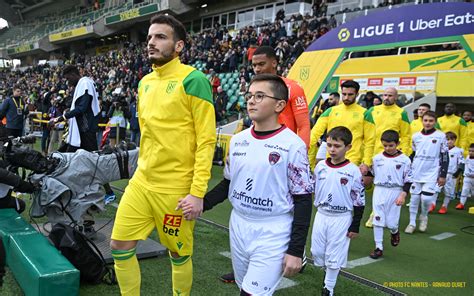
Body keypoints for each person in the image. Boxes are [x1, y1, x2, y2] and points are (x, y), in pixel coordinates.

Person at [110, 14, 216, 296]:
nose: (151, 43)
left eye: (160, 37)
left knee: (178, 254)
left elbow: (207, 141)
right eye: (149, 38)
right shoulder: (144, 83)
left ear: (179, 45)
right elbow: (146, 135)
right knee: (119, 245)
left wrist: (197, 192)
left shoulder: (193, 80)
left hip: (176, 189)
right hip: (142, 183)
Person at [187, 74, 312, 295]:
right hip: (238, 225)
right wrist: (201, 204)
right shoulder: (238, 140)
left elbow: (303, 200)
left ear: (280, 105)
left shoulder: (293, 145)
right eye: (250, 95)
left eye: (260, 96)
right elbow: (228, 184)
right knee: (243, 286)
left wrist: (296, 249)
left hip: (273, 230)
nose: (251, 101)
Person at [311, 126, 365, 296]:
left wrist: (355, 225)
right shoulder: (320, 167)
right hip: (322, 215)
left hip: (341, 218)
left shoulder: (353, 171)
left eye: (337, 146)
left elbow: (359, 200)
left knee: (334, 255)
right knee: (317, 253)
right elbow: (314, 188)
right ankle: (328, 273)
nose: (332, 149)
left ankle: (329, 288)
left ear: (348, 147)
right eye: (329, 145)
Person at [364, 87, 410, 228]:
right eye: (384, 95)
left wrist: (404, 154)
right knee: (369, 185)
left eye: (390, 95)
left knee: (384, 185)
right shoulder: (372, 111)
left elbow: (406, 135)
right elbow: (366, 134)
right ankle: (377, 211)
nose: (386, 98)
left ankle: (376, 215)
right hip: (373, 154)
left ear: (396, 97)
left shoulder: (401, 113)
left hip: (391, 156)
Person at [252, 46, 310, 148]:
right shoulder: (253, 90)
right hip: (259, 146)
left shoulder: (292, 87)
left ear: (274, 63)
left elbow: (303, 125)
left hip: (284, 149)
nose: (257, 69)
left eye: (261, 64)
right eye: (254, 65)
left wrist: (302, 152)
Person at [309, 80, 375, 170]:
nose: (346, 97)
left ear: (357, 94)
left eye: (350, 94)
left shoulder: (365, 113)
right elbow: (314, 135)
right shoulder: (330, 111)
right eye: (344, 94)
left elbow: (370, 140)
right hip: (331, 160)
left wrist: (367, 162)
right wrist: (310, 162)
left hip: (353, 161)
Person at [369, 130, 412, 259]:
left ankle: (394, 231)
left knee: (392, 223)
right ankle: (378, 247)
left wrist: (403, 195)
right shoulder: (377, 158)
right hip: (379, 190)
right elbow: (371, 174)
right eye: (385, 145)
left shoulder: (405, 160)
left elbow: (408, 179)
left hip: (396, 191)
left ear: (397, 143)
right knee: (377, 219)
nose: (387, 148)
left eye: (391, 145)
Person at [405, 111, 448, 234]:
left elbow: (445, 156)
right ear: (422, 121)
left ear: (435, 122)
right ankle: (412, 223)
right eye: (425, 120)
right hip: (416, 171)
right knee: (414, 199)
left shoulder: (441, 136)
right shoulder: (416, 136)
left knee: (425, 199)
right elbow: (414, 154)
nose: (428, 123)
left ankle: (423, 216)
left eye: (431, 121)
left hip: (432, 171)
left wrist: (443, 175)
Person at [53, 65, 100, 152]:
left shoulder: (84, 83)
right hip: (81, 128)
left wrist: (62, 117)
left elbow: (82, 108)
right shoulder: (82, 84)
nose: (68, 82)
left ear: (73, 74)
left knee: (91, 158)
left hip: (86, 128)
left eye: (68, 79)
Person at [437, 132, 464, 214]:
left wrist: (458, 172)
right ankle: (432, 204)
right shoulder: (440, 150)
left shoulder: (458, 151)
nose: (449, 141)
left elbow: (461, 162)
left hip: (451, 174)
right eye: (447, 139)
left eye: (452, 139)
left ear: (455, 140)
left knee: (448, 192)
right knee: (435, 189)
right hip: (440, 173)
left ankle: (444, 206)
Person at [456, 143, 474, 210]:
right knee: (465, 190)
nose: (471, 152)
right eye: (470, 151)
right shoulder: (467, 157)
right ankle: (461, 204)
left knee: (473, 192)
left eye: (473, 151)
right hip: (467, 178)